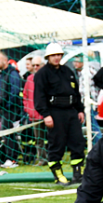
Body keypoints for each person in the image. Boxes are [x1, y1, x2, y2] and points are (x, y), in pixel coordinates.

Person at [34, 43, 85, 185]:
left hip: (71, 111)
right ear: (48, 57)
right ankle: (58, 175)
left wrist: (80, 109)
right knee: (57, 144)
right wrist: (46, 114)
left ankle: (78, 174)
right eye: (53, 55)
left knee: (78, 142)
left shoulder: (67, 71)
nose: (56, 58)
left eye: (58, 55)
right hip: (54, 112)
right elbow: (39, 96)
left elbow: (75, 92)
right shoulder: (42, 74)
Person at [0, 52, 23, 166]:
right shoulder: (1, 74)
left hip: (11, 109)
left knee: (9, 132)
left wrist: (7, 105)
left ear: (5, 61)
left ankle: (12, 159)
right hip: (4, 109)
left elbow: (15, 91)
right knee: (6, 133)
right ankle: (10, 158)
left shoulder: (12, 73)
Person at [22, 57, 47, 166]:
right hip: (34, 115)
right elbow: (25, 95)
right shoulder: (29, 79)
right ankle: (42, 158)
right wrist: (28, 109)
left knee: (52, 137)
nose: (36, 67)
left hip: (47, 114)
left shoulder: (48, 78)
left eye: (38, 65)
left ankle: (54, 157)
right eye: (34, 65)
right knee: (38, 139)